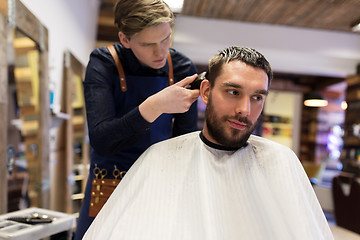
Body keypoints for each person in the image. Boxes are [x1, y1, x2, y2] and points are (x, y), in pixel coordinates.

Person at [82, 46, 334, 239]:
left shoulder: (280, 160)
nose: (244, 110)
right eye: (233, 92)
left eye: (257, 97)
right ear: (205, 92)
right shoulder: (160, 157)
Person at [74, 0, 200, 239]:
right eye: (148, 44)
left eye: (166, 39)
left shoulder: (182, 67)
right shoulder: (104, 63)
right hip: (109, 180)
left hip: (160, 182)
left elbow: (185, 142)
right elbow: (102, 140)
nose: (160, 51)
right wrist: (154, 106)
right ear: (125, 39)